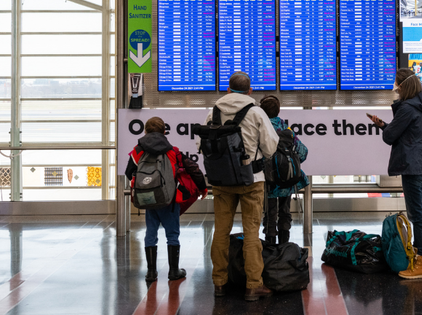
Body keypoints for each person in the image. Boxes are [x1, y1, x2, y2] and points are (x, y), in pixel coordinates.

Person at [204, 71, 279, 301]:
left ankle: (219, 283)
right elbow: (270, 146)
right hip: (252, 180)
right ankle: (253, 285)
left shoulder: (213, 111)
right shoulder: (256, 112)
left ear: (228, 89)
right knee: (251, 233)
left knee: (221, 231)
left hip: (221, 182)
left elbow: (202, 143)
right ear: (250, 91)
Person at [367, 68, 422, 279]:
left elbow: (390, 137)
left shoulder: (407, 107)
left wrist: (384, 128)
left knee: (416, 214)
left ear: (403, 86)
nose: (394, 87)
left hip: (412, 165)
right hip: (418, 162)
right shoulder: (417, 105)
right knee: (416, 212)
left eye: (396, 84)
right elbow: (400, 132)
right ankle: (418, 255)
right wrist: (385, 126)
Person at [125, 116, 207, 283]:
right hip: (169, 200)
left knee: (150, 232)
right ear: (164, 132)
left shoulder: (137, 151)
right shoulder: (173, 151)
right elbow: (193, 168)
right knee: (172, 234)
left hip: (148, 199)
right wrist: (202, 187)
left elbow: (129, 172)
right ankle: (173, 271)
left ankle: (151, 273)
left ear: (145, 131)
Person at [259, 95, 310, 246]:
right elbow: (303, 152)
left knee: (270, 213)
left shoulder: (260, 129)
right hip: (286, 181)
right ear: (279, 110)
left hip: (268, 182)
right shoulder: (287, 130)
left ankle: (270, 246)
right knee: (285, 212)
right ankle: (283, 246)